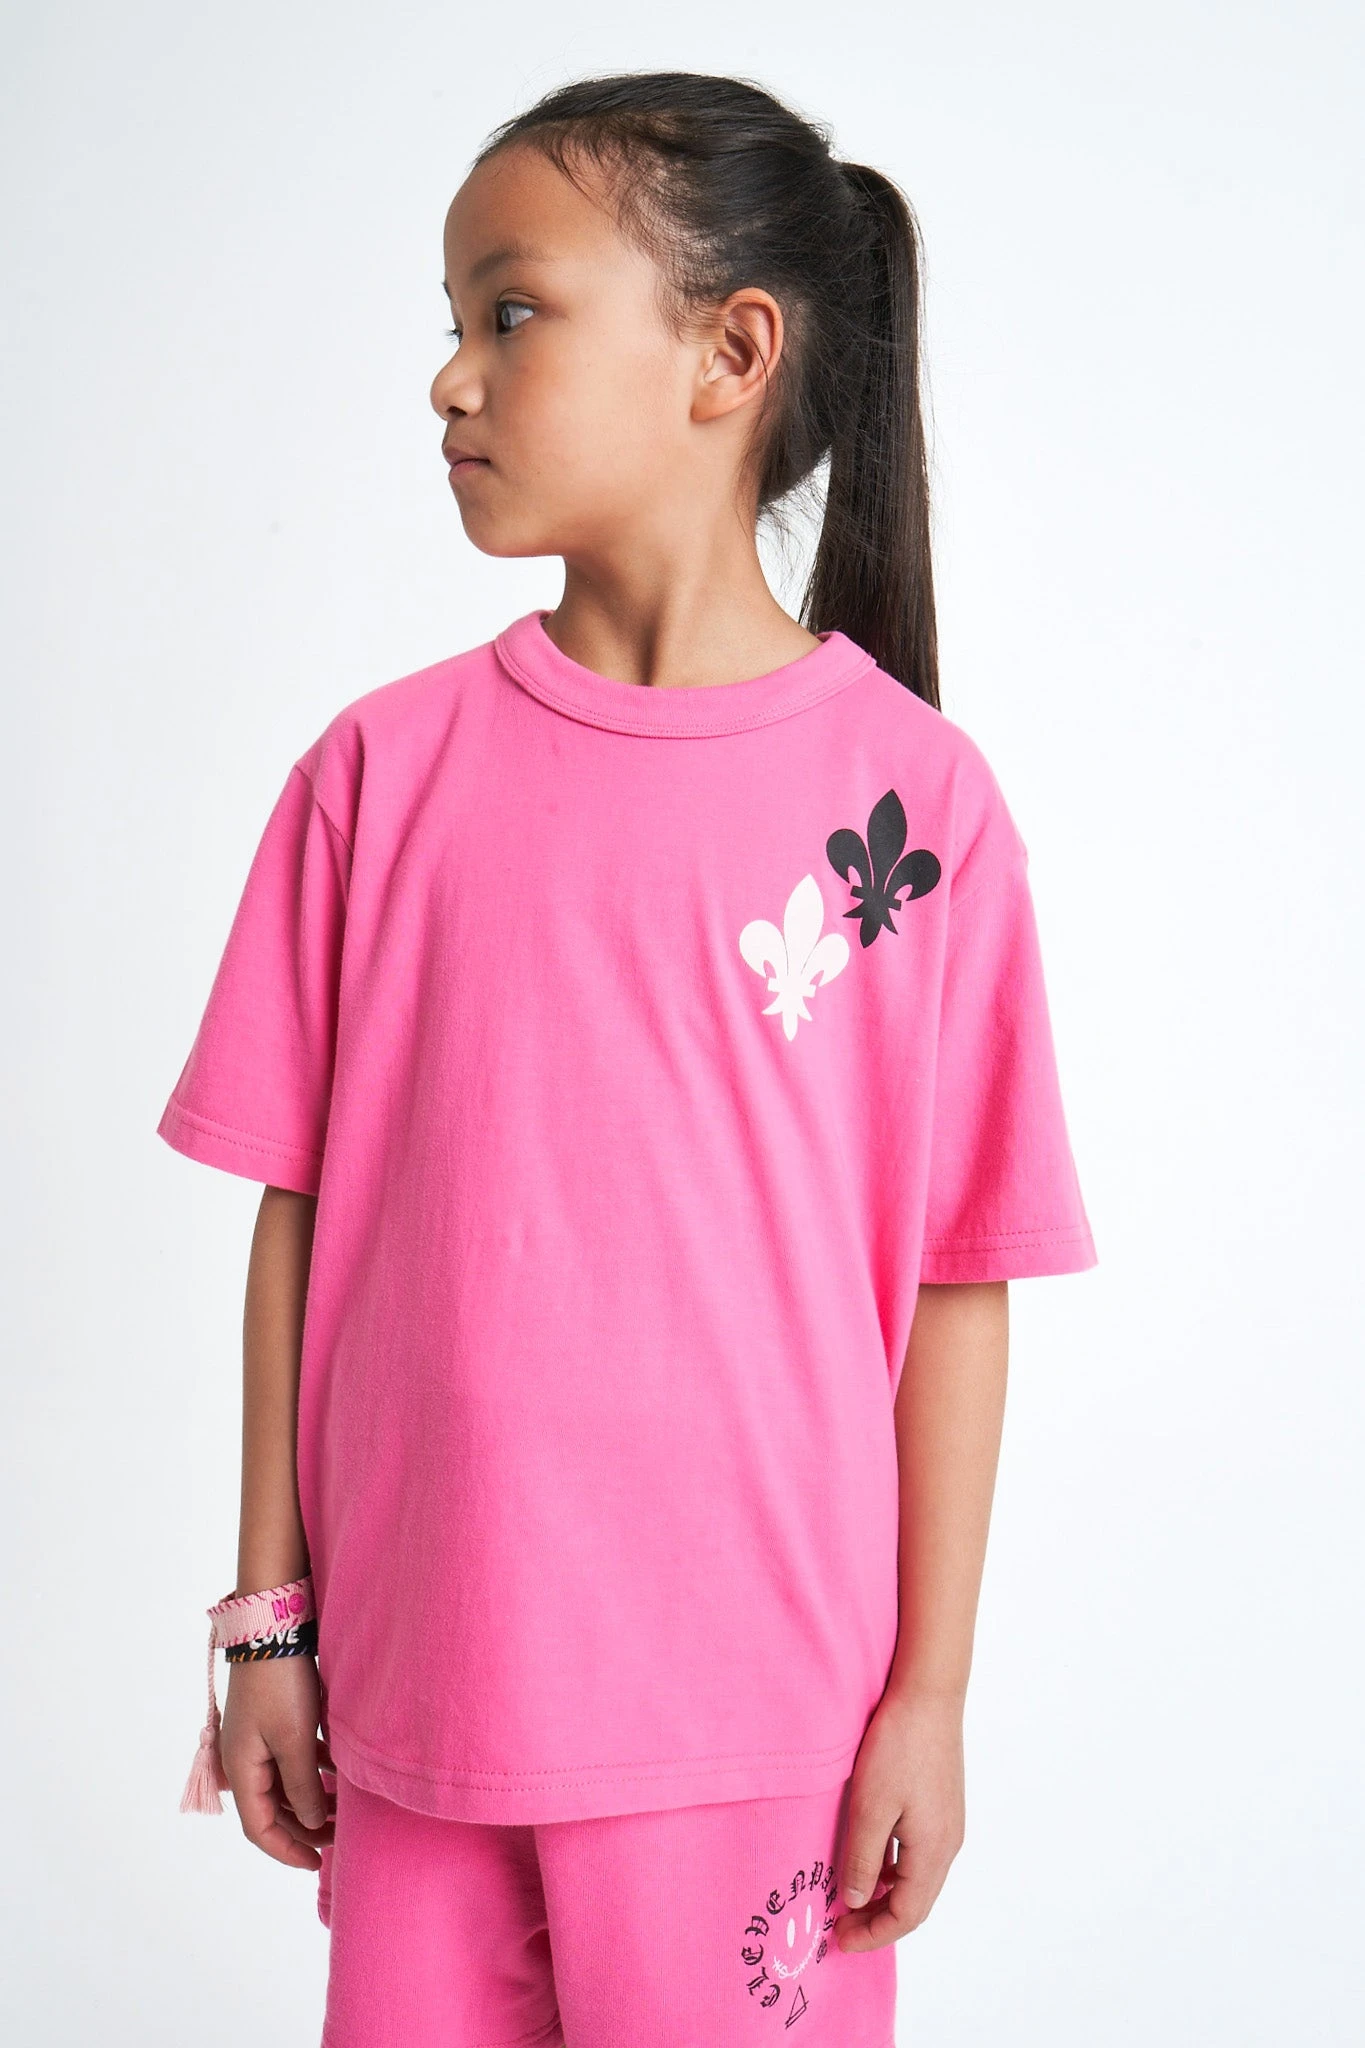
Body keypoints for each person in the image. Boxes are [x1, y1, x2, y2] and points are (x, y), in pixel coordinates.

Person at [157, 70, 1097, 2048]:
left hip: (763, 1731)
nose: (451, 379)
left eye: (511, 311)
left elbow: (957, 1280)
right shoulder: (376, 779)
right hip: (421, 1701)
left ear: (730, 354)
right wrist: (266, 1618)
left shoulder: (914, 811)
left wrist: (929, 1695)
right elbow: (299, 1215)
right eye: (450, 321)